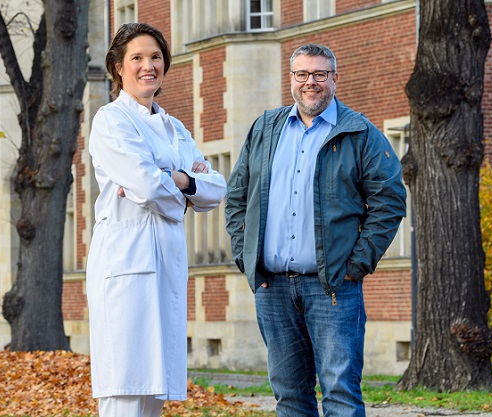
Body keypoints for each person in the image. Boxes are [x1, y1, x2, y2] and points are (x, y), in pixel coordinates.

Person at [225, 44, 406, 417]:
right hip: (272, 288)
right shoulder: (265, 129)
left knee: (340, 394)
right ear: (290, 79)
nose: (311, 82)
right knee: (289, 397)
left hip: (333, 289)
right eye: (302, 74)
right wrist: (247, 258)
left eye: (320, 74)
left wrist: (356, 265)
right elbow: (236, 199)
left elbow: (389, 201)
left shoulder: (359, 132)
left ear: (334, 79)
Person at [86, 23, 227, 417]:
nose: (148, 66)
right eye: (137, 58)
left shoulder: (174, 128)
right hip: (126, 265)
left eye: (156, 57)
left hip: (164, 266)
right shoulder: (110, 121)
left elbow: (215, 188)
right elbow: (147, 187)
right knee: (125, 391)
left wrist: (178, 179)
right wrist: (181, 188)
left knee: (152, 394)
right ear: (117, 67)